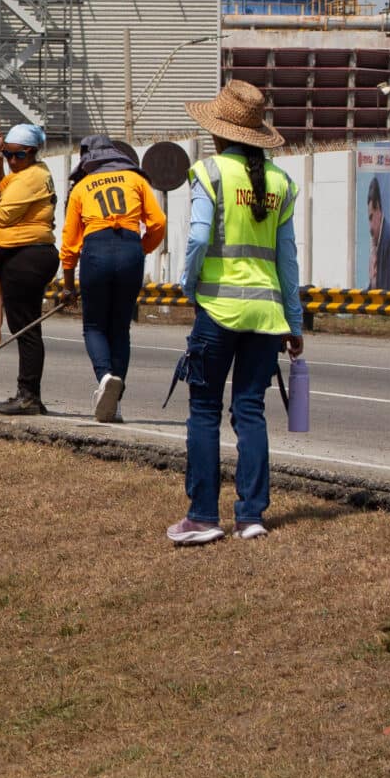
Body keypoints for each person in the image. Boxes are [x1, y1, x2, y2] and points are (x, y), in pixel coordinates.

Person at [169, 80, 304, 546]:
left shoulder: (208, 173)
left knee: (204, 410)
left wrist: (189, 285)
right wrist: (295, 321)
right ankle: (251, 516)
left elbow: (198, 238)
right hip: (268, 317)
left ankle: (203, 517)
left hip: (219, 310)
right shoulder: (282, 184)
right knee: (250, 411)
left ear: (218, 132)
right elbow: (288, 261)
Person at [60, 135, 166, 425]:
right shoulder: (135, 180)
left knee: (94, 325)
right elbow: (158, 223)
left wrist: (68, 285)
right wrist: (138, 249)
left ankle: (104, 377)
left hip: (96, 251)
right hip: (130, 249)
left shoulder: (81, 188)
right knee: (120, 328)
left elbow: (69, 243)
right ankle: (115, 404)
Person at [0, 123, 58, 415]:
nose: (13, 161)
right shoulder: (28, 175)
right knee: (25, 327)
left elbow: (2, 215)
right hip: (29, 255)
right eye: (8, 154)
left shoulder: (31, 178)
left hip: (26, 256)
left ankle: (28, 395)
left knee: (26, 329)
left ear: (33, 153)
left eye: (19, 155)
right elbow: (3, 186)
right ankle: (28, 393)